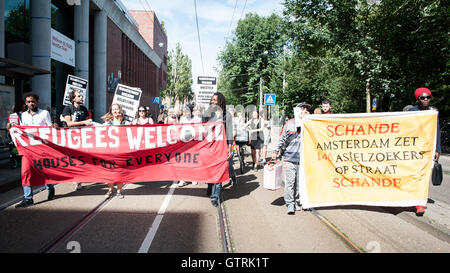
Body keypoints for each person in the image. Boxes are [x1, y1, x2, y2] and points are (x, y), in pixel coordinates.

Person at [15, 93, 57, 208]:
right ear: (25, 103)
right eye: (28, 102)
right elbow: (21, 130)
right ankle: (28, 198)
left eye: (32, 101)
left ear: (37, 102)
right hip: (28, 149)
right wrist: (12, 128)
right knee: (26, 172)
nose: (30, 104)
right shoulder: (23, 115)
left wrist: (54, 126)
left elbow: (49, 129)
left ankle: (50, 187)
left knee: (44, 171)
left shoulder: (44, 113)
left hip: (41, 148)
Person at [406, 87, 441, 217]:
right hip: (414, 149)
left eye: (428, 97)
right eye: (423, 97)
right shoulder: (412, 112)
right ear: (417, 99)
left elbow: (436, 132)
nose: (426, 100)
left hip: (428, 149)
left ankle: (420, 203)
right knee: (413, 175)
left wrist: (438, 149)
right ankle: (411, 197)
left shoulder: (433, 113)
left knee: (424, 176)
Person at [272, 102, 311, 215]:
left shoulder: (309, 124)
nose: (305, 112)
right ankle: (290, 203)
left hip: (303, 160)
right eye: (303, 110)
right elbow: (282, 139)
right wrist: (275, 151)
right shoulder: (289, 124)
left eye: (307, 110)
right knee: (290, 182)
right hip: (289, 158)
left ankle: (297, 201)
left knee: (299, 183)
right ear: (297, 111)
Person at [203, 92, 235, 206]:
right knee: (210, 170)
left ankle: (215, 196)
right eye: (212, 100)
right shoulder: (207, 114)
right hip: (209, 147)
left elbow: (229, 132)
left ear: (220, 101)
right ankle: (210, 185)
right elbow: (201, 129)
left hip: (221, 148)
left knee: (219, 171)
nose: (212, 101)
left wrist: (229, 147)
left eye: (215, 100)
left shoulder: (227, 115)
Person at [62, 89, 92, 191]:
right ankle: (76, 178)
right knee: (74, 158)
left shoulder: (84, 108)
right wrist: (84, 122)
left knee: (83, 158)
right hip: (71, 138)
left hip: (83, 137)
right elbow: (69, 123)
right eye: (79, 96)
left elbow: (88, 121)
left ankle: (80, 178)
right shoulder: (67, 109)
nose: (81, 97)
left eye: (81, 96)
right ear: (73, 98)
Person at [101, 103, 129, 199]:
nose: (116, 111)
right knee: (110, 171)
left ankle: (119, 191)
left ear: (120, 110)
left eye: (117, 109)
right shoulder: (107, 123)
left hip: (122, 151)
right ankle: (110, 190)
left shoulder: (126, 123)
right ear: (111, 112)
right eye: (113, 110)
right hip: (110, 151)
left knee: (120, 171)